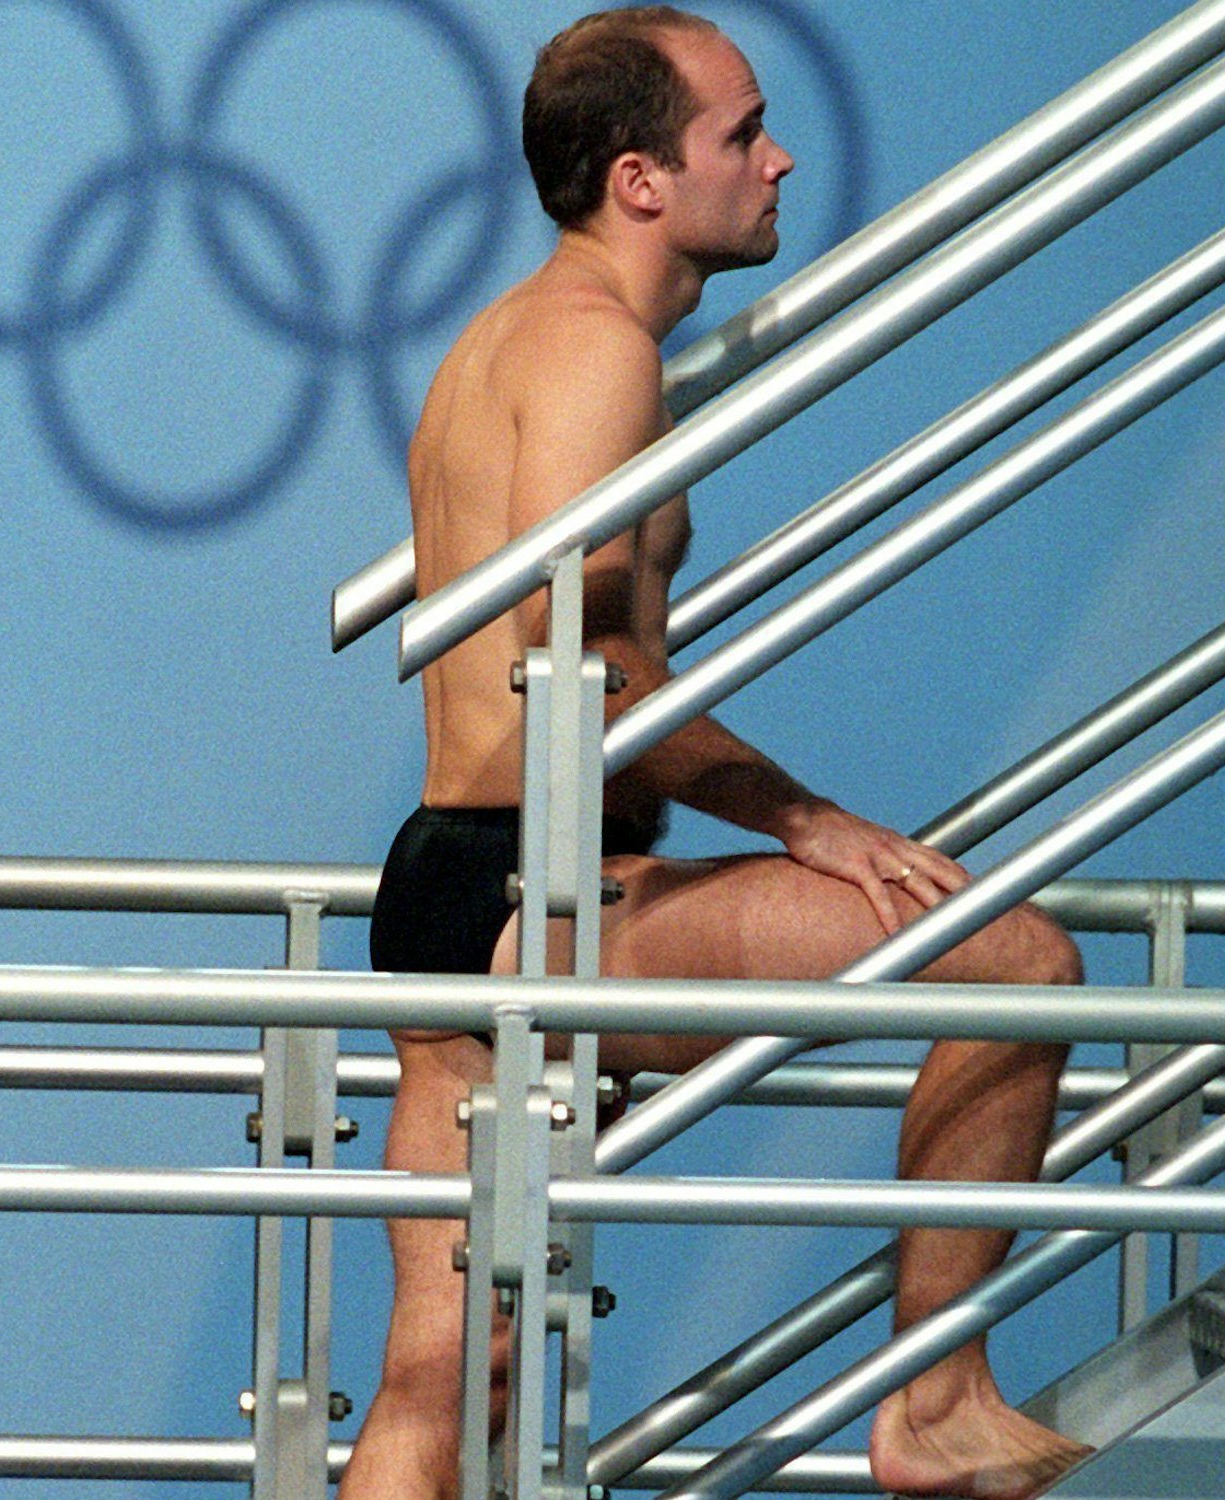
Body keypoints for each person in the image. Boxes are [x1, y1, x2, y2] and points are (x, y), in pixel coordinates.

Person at [345, 11, 1090, 1499]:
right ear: (639, 179)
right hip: (538, 897)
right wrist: (802, 817)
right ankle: (932, 1401)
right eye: (741, 134)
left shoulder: (512, 338)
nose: (779, 159)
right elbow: (586, 662)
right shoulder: (593, 351)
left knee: (445, 1383)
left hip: (451, 882)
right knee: (1016, 964)